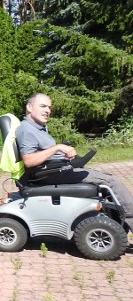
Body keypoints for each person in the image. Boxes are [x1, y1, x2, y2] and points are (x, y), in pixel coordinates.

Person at [16, 93, 133, 233]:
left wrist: (67, 156)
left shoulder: (38, 127)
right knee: (111, 182)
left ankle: (117, 225)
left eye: (49, 107)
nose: (47, 110)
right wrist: (57, 147)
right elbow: (29, 161)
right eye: (43, 106)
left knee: (105, 176)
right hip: (49, 174)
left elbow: (45, 153)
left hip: (57, 169)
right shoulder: (27, 130)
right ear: (29, 107)